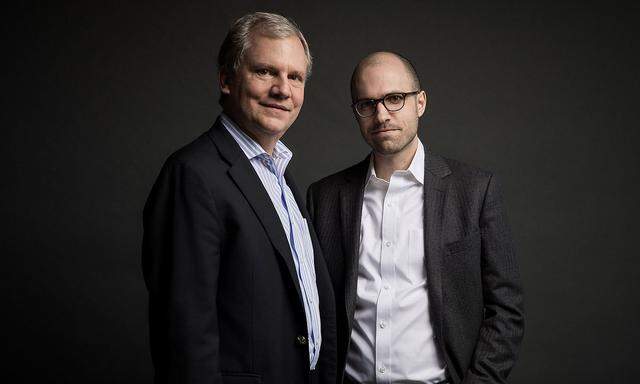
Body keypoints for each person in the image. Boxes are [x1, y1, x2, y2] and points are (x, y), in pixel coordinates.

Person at [307, 52, 524, 384]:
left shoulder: (475, 191)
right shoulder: (324, 197)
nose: (381, 114)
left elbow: (506, 308)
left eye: (394, 98)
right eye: (367, 104)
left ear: (420, 102)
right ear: (356, 113)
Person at [142, 12, 336, 384]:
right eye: (265, 71)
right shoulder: (193, 174)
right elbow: (184, 334)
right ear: (227, 79)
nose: (283, 89)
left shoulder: (280, 176)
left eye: (295, 77)